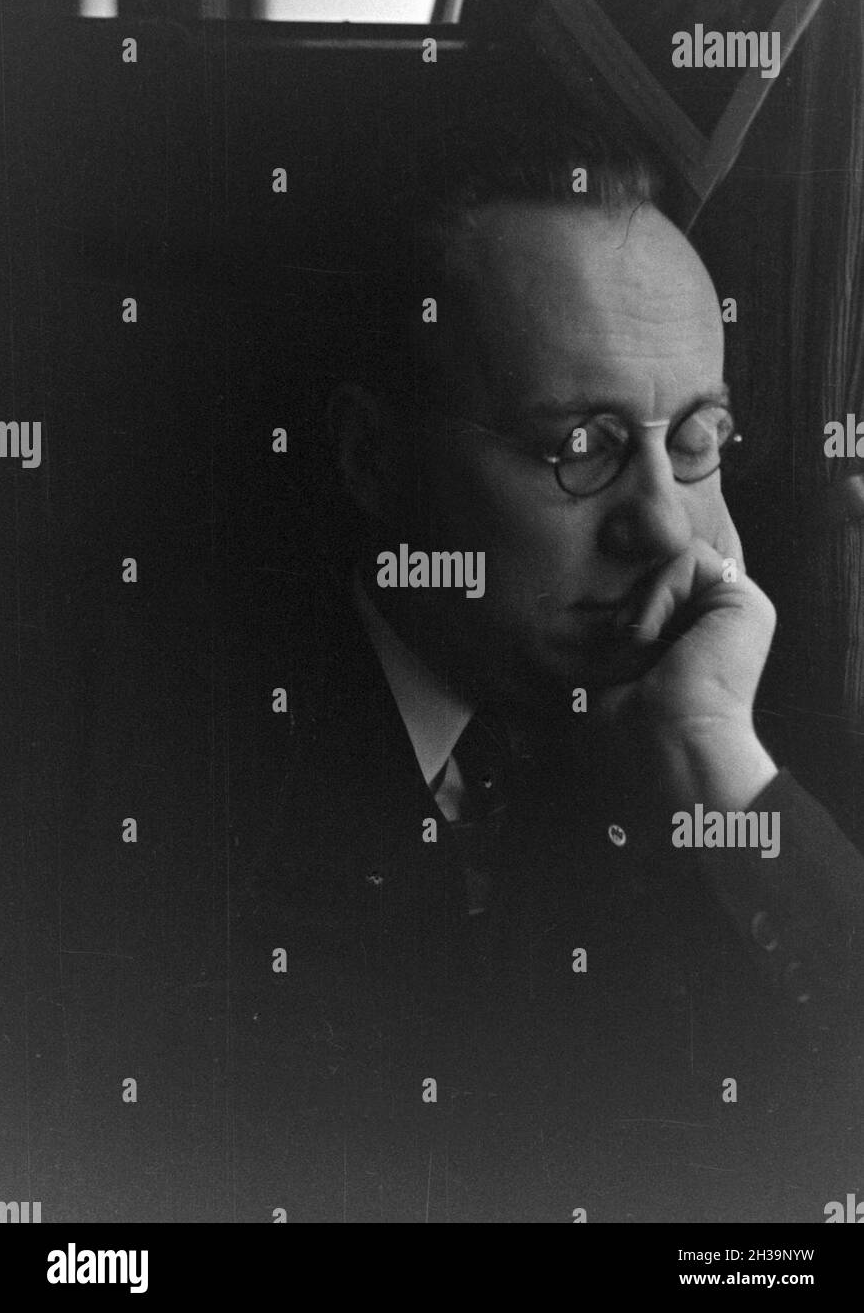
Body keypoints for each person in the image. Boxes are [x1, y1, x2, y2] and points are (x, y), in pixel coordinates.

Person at [226, 124, 864, 1224]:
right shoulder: (152, 750)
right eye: (581, 447)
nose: (666, 528)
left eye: (699, 441)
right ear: (374, 457)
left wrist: (714, 761)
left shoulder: (742, 724)